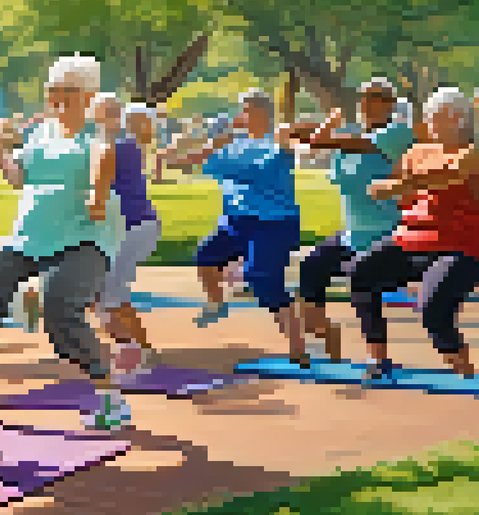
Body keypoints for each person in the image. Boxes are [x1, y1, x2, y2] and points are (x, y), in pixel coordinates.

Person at [0, 56, 127, 431]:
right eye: (51, 91)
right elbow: (18, 178)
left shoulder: (96, 133)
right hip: (31, 237)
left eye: (64, 91)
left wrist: (97, 195)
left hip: (82, 239)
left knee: (61, 313)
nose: (55, 98)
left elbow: (104, 158)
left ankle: (111, 397)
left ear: (87, 95)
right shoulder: (41, 133)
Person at [168, 89, 307, 361]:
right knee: (205, 257)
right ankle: (218, 303)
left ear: (261, 113)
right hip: (234, 221)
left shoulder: (277, 142)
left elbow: (289, 144)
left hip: (273, 222)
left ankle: (298, 347)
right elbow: (186, 163)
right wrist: (206, 142)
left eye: (247, 110)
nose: (241, 116)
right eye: (242, 110)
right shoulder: (231, 145)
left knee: (263, 279)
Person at [354, 88, 479, 380]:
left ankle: (465, 373)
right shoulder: (416, 152)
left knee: (432, 308)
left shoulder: (471, 152)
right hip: (411, 240)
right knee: (361, 274)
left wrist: (407, 183)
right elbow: (381, 189)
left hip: (459, 247)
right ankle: (380, 361)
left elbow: (452, 175)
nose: (426, 122)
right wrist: (403, 186)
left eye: (434, 116)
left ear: (457, 119)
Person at [293, 79, 413, 363]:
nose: (367, 103)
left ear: (390, 104)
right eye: (363, 97)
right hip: (352, 233)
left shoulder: (396, 133)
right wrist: (324, 128)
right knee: (310, 270)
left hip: (390, 233)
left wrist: (327, 125)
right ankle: (325, 334)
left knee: (363, 283)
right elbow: (315, 144)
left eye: (376, 98)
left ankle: (378, 358)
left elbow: (319, 140)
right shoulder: (349, 139)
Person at [89, 95, 161, 379]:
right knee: (99, 298)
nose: (105, 116)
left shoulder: (120, 146)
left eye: (109, 112)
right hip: (119, 229)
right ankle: (130, 347)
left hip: (135, 228)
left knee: (113, 297)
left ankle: (142, 352)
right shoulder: (108, 144)